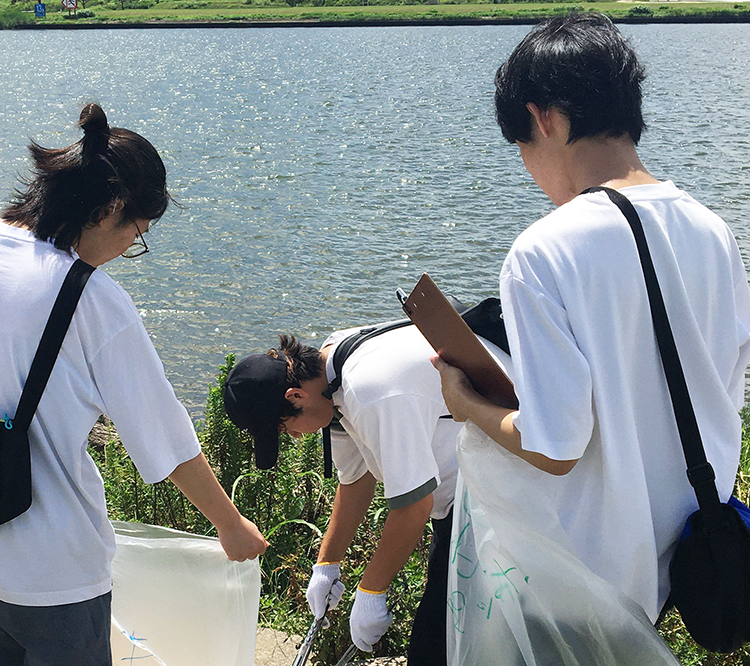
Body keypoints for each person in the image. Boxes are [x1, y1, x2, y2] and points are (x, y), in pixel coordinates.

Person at [0, 103, 268, 666]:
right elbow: (164, 438)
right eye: (139, 233)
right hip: (49, 572)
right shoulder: (93, 301)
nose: (132, 247)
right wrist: (231, 525)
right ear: (110, 209)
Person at [432, 13, 750, 628]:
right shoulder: (714, 230)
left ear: (544, 118)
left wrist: (467, 402)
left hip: (587, 579)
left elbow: (556, 448)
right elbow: (723, 382)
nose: (529, 168)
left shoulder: (543, 252)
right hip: (682, 555)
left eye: (523, 146)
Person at [224, 323, 509, 664]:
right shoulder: (330, 373)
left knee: (440, 645)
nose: (296, 438)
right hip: (465, 500)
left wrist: (372, 590)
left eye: (286, 428)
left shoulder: (370, 391)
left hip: (501, 496)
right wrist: (327, 564)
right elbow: (355, 480)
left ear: (296, 397)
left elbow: (416, 506)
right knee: (447, 637)